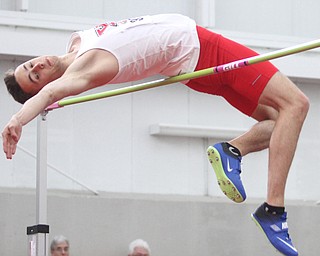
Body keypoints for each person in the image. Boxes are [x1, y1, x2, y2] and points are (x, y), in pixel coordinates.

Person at [2, 13, 307, 255]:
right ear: (43, 88)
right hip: (202, 48)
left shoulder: (77, 44)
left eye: (31, 65)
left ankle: (232, 151)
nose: (38, 66)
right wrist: (18, 119)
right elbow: (51, 93)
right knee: (296, 104)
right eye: (36, 76)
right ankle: (273, 209)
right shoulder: (83, 71)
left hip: (191, 63)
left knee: (282, 121)